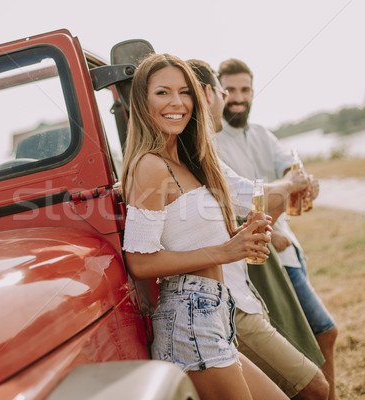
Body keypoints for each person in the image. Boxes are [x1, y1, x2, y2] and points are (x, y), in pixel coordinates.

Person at [121, 53, 288, 399]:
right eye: (163, 93)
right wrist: (225, 251)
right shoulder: (150, 166)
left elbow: (192, 234)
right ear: (142, 101)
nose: (177, 103)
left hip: (215, 310)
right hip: (188, 316)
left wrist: (240, 237)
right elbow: (140, 262)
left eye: (185, 92)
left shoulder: (190, 161)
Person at [187, 58, 329, 400]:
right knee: (314, 386)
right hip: (227, 302)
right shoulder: (200, 151)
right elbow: (253, 201)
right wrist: (290, 184)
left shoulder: (222, 145)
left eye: (243, 89)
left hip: (240, 291)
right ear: (210, 94)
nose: (232, 97)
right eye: (226, 90)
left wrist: (297, 183)